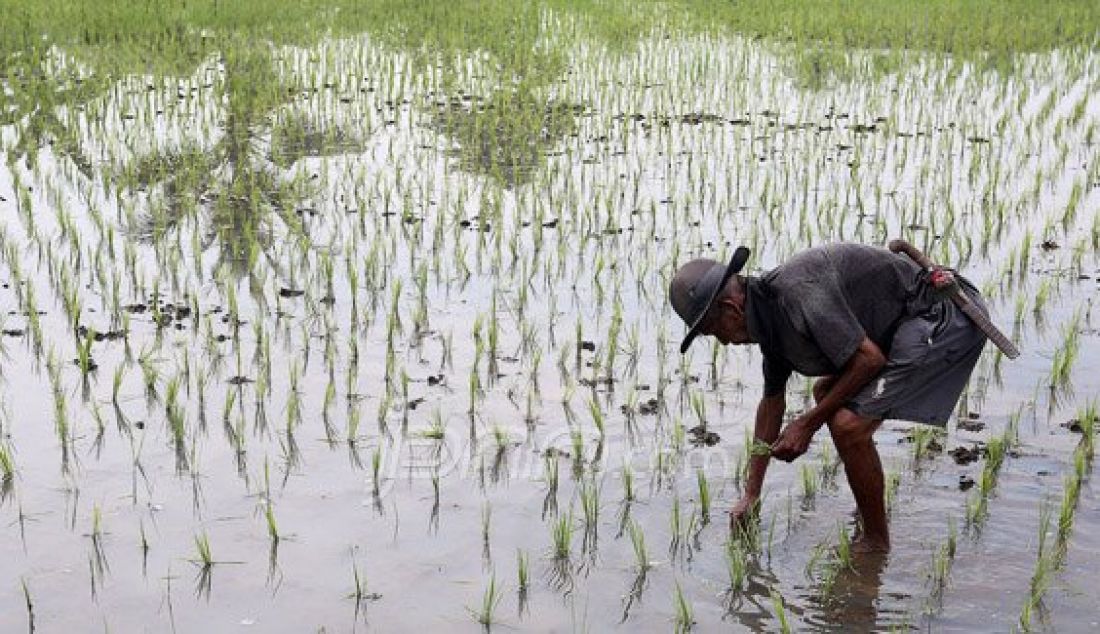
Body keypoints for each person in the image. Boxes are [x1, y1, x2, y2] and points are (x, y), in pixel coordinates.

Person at [669, 242, 987, 552]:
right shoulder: (768, 320)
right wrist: (751, 494)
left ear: (730, 309)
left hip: (943, 312)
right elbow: (771, 405)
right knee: (827, 394)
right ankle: (869, 511)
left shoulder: (798, 292)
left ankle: (876, 542)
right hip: (902, 322)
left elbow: (869, 360)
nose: (722, 343)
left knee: (848, 425)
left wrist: (806, 425)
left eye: (713, 331)